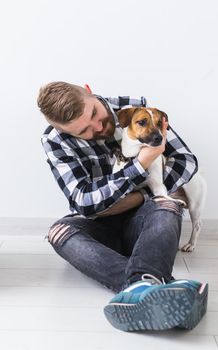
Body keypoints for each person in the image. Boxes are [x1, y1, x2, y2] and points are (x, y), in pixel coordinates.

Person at [37, 81, 208, 332]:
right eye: (83, 130)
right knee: (59, 232)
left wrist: (141, 196)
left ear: (90, 92)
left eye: (94, 113)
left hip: (145, 219)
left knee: (167, 205)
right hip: (100, 229)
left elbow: (187, 162)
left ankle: (140, 290)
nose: (97, 126)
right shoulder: (54, 141)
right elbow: (84, 202)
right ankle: (148, 285)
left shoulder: (138, 110)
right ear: (63, 131)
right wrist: (140, 168)